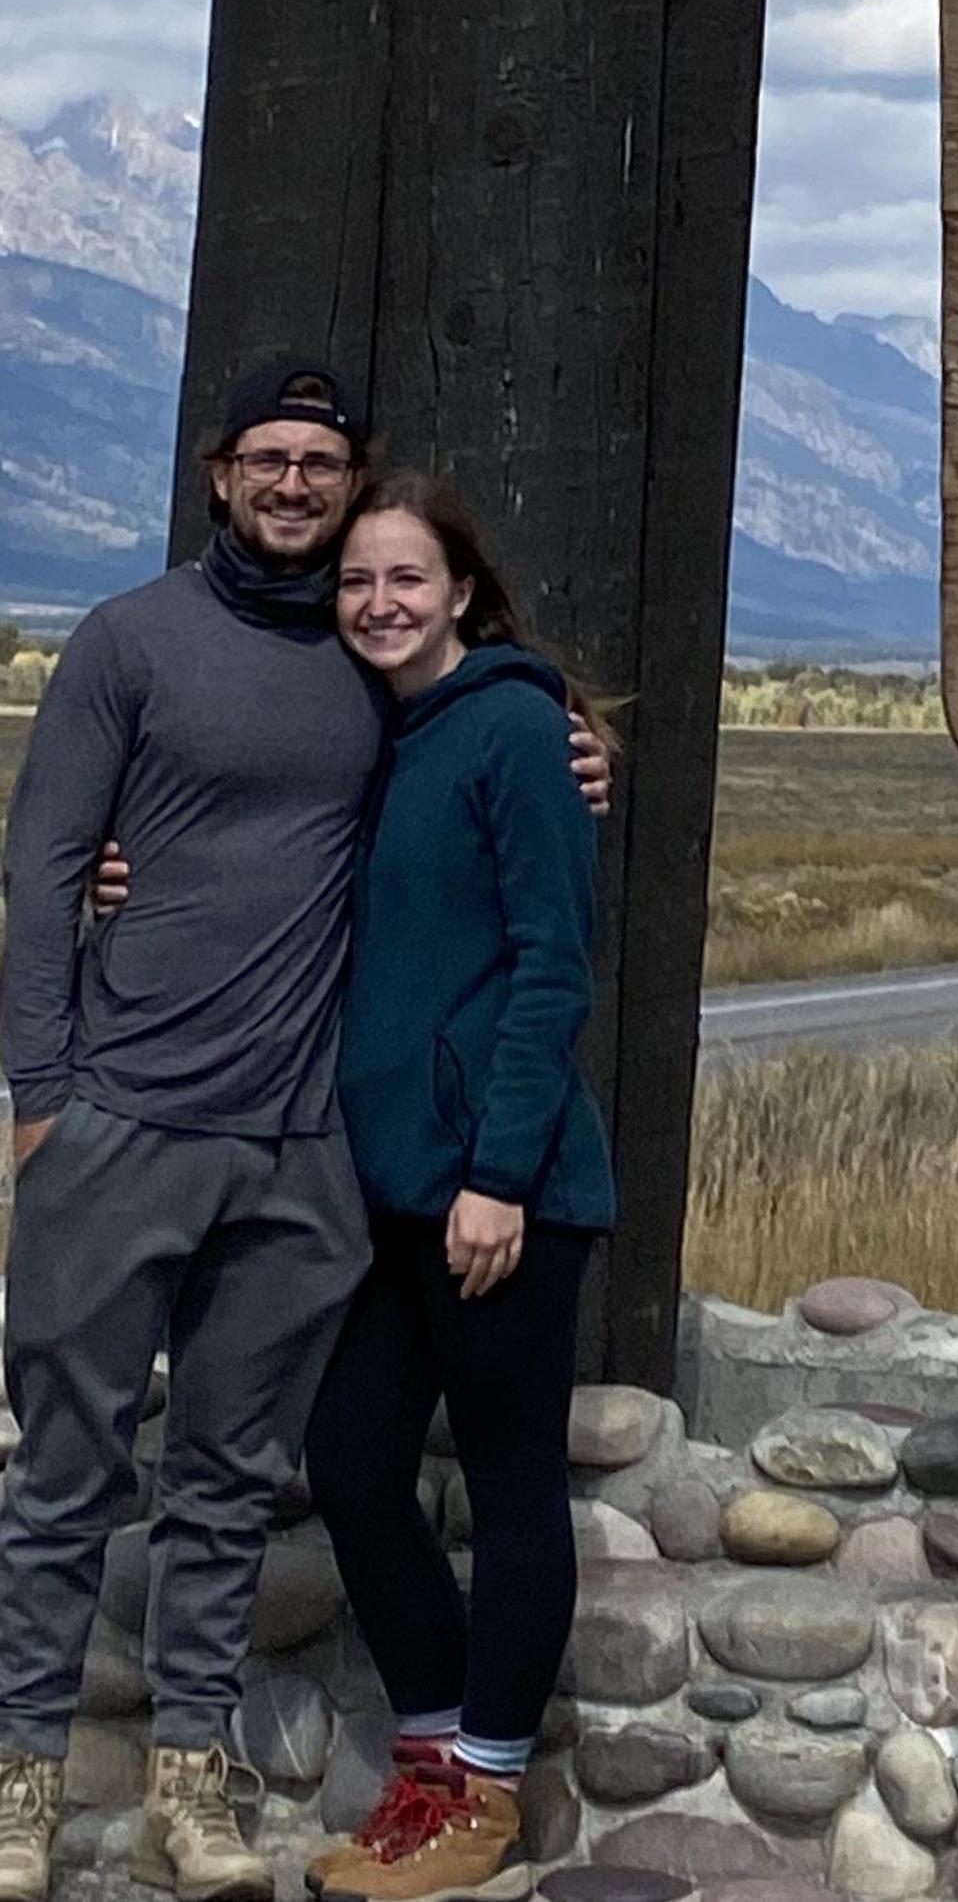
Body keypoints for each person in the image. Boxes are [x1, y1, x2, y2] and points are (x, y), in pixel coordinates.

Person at [0, 363, 607, 1902]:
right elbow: (42, 873)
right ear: (218, 476)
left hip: (306, 1152)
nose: (291, 484)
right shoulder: (131, 645)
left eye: (319, 464)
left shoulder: (394, 675)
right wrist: (41, 1103)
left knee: (222, 1477)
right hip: (124, 1120)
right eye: (266, 458)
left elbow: (510, 759)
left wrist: (584, 745)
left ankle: (192, 1792)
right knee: (63, 1477)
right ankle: (18, 1783)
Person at [289, 475, 616, 1902]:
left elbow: (556, 963)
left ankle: (484, 1791)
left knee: (510, 1482)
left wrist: (500, 1173)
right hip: (392, 1196)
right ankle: (435, 1769)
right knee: (354, 1458)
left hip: (502, 1196)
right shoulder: (384, 733)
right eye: (358, 581)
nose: (379, 603)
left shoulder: (510, 731)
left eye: (406, 579)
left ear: (463, 594)